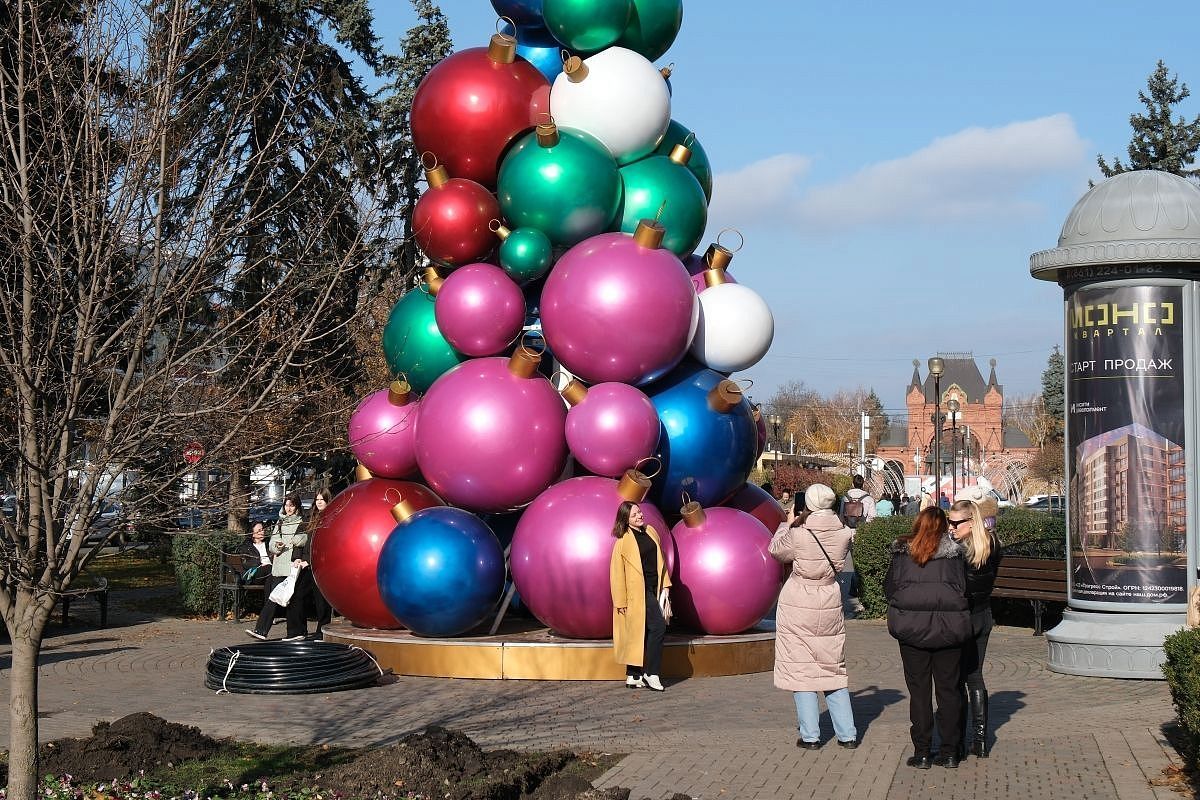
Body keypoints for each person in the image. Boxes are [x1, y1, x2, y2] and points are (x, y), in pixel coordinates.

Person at [770, 484, 858, 750]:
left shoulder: (799, 532)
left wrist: (786, 524)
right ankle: (847, 734)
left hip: (798, 598)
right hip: (829, 597)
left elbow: (776, 550)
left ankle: (810, 736)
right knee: (832, 666)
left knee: (801, 669)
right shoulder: (844, 532)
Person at [884, 507, 971, 770]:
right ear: (945, 526)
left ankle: (922, 752)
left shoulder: (902, 553)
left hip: (912, 631)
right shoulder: (955, 555)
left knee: (919, 692)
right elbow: (965, 589)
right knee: (949, 691)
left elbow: (890, 587)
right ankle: (950, 752)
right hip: (949, 631)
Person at [949, 494, 1002, 758]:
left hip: (962, 620)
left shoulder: (958, 551)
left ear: (971, 522)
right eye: (949, 522)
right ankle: (980, 740)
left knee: (956, 678)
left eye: (956, 523)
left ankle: (956, 741)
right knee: (975, 675)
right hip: (983, 616)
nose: (951, 528)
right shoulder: (992, 544)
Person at [609, 501, 672, 692]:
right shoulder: (622, 541)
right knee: (658, 627)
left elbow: (660, 561)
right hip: (636, 593)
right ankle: (651, 673)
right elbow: (616, 572)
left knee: (640, 631)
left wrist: (666, 585)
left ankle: (633, 675)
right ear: (626, 519)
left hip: (654, 587)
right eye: (635, 514)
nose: (640, 516)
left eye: (640, 512)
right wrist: (620, 601)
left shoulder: (651, 531)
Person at [247, 493, 306, 640]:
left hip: (293, 566)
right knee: (273, 598)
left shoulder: (301, 522)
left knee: (293, 601)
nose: (288, 508)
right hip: (279, 567)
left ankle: (296, 633)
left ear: (297, 506)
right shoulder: (280, 522)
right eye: (286, 505)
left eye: (291, 505)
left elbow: (305, 538)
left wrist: (297, 540)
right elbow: (272, 543)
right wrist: (277, 546)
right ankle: (261, 630)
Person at [286, 488, 334, 640]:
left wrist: (311, 561)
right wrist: (297, 558)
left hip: (320, 566)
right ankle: (297, 631)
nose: (319, 502)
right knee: (296, 595)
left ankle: (322, 631)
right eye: (317, 499)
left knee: (322, 601)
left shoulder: (332, 519)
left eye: (322, 499)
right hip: (305, 565)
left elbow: (330, 546)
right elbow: (298, 540)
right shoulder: (308, 518)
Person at [838, 476, 875, 615]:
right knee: (859, 565)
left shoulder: (845, 497)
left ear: (852, 483)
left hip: (845, 533)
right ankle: (860, 600)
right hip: (860, 534)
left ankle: (838, 598)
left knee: (838, 564)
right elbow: (872, 518)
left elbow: (841, 516)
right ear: (863, 484)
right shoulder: (869, 499)